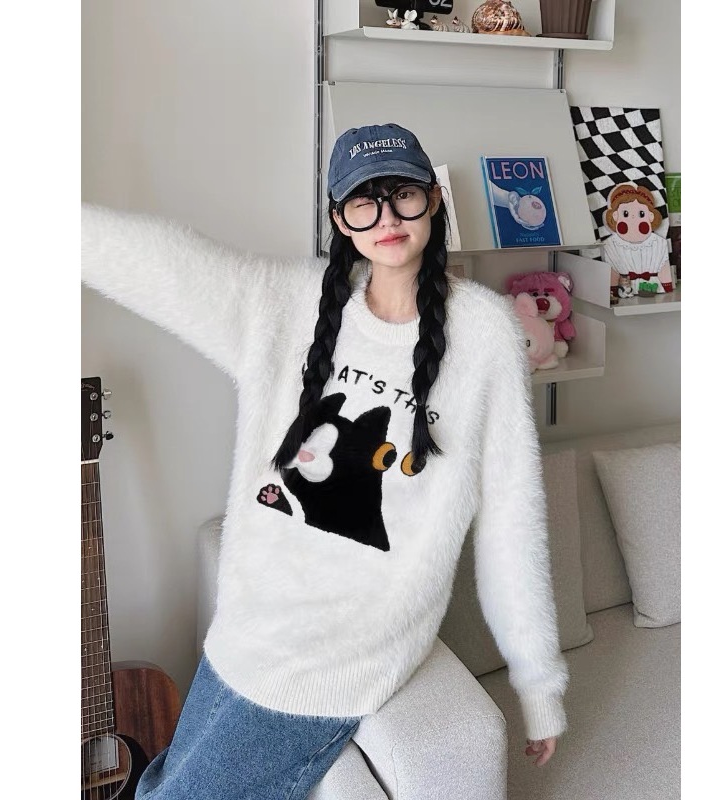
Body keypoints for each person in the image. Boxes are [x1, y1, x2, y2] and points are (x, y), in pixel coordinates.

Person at [81, 122, 569, 798]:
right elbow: (164, 263)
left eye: (402, 195)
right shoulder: (290, 303)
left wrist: (538, 682)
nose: (387, 219)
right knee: (163, 782)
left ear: (433, 198)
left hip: (345, 653)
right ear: (341, 218)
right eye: (364, 202)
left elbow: (512, 520)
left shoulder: (484, 334)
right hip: (247, 627)